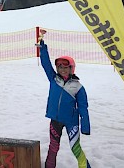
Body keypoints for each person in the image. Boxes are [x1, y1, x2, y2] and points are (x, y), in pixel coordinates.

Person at [39, 40, 91, 168]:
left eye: (65, 67)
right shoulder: (53, 79)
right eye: (60, 67)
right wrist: (43, 49)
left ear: (71, 68)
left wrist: (85, 125)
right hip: (55, 120)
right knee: (53, 148)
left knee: (75, 148)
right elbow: (46, 64)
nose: (62, 70)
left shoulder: (78, 87)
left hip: (71, 122)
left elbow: (83, 107)